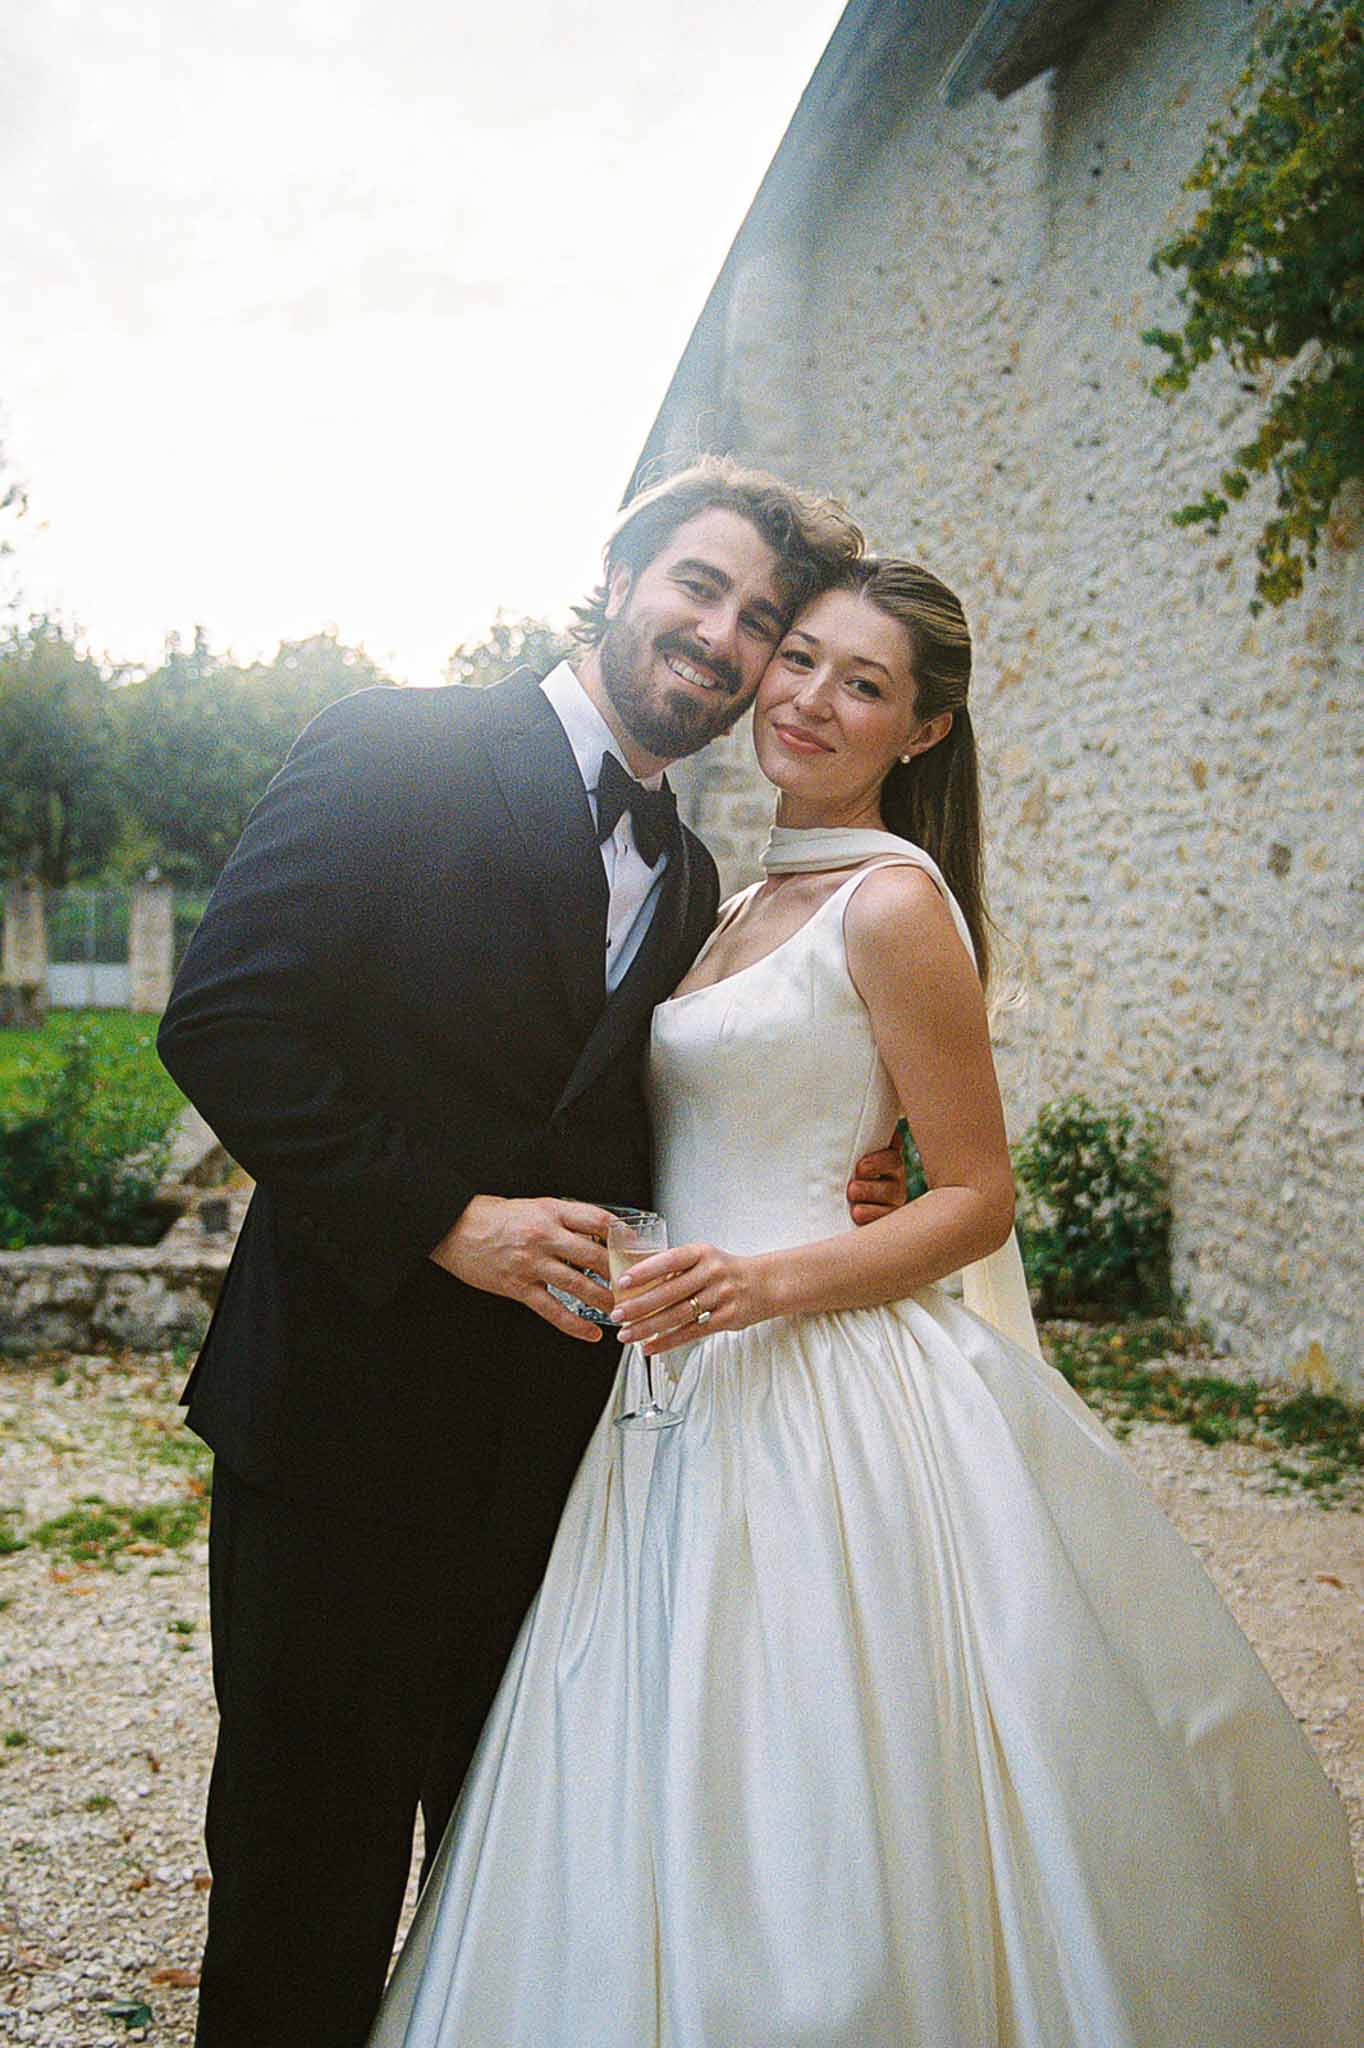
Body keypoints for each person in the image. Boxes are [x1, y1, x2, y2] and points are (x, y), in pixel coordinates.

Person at [369, 557, 1364, 2046]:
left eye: (866, 684)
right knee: (643, 1760)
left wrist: (766, 1275)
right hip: (671, 1389)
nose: (811, 699)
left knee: (816, 1784)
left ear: (924, 731)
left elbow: (977, 1194)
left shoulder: (898, 904)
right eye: (802, 659)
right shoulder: (740, 892)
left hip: (815, 1384)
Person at [156, 457, 915, 2048]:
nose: (720, 636)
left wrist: (840, 1171)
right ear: (622, 576)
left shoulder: (702, 880)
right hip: (340, 1434)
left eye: (757, 621)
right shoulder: (392, 746)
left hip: (562, 1469)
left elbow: (663, 1123)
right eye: (698, 587)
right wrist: (446, 1218)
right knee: (307, 1873)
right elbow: (228, 1018)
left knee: (522, 1881)